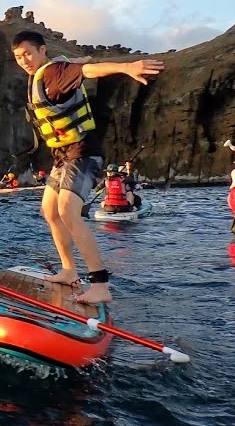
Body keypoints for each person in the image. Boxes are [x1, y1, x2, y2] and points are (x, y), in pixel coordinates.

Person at [11, 30, 164, 304]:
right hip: (62, 155)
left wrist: (127, 67)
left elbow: (89, 70)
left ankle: (100, 285)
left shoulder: (53, 73)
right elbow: (77, 61)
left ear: (41, 50)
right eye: (18, 57)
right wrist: (77, 59)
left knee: (68, 212)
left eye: (28, 54)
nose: (24, 61)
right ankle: (69, 270)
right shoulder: (47, 71)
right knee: (49, 211)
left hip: (82, 152)